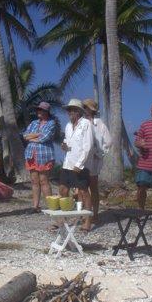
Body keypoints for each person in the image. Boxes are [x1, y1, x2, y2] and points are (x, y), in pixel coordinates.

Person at [60, 99, 94, 231]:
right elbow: (67, 141)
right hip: (67, 162)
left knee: (84, 192)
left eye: (73, 110)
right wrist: (64, 145)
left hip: (81, 165)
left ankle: (87, 221)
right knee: (63, 189)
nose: (70, 112)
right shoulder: (68, 126)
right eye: (69, 110)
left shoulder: (86, 124)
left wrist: (79, 164)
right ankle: (63, 219)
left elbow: (88, 146)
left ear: (79, 112)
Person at [23, 101, 57, 211]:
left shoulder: (51, 123)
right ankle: (35, 206)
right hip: (31, 154)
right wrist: (37, 135)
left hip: (44, 155)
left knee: (44, 180)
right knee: (34, 181)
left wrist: (32, 137)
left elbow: (44, 138)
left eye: (41, 110)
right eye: (38, 109)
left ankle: (50, 206)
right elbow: (25, 136)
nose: (38, 111)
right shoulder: (33, 123)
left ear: (46, 112)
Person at [82, 98, 111, 223]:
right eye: (84, 107)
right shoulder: (81, 122)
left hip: (93, 161)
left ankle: (95, 214)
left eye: (86, 107)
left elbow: (108, 142)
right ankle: (84, 214)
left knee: (93, 187)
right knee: (81, 188)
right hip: (81, 159)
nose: (85, 110)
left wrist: (99, 153)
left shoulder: (99, 124)